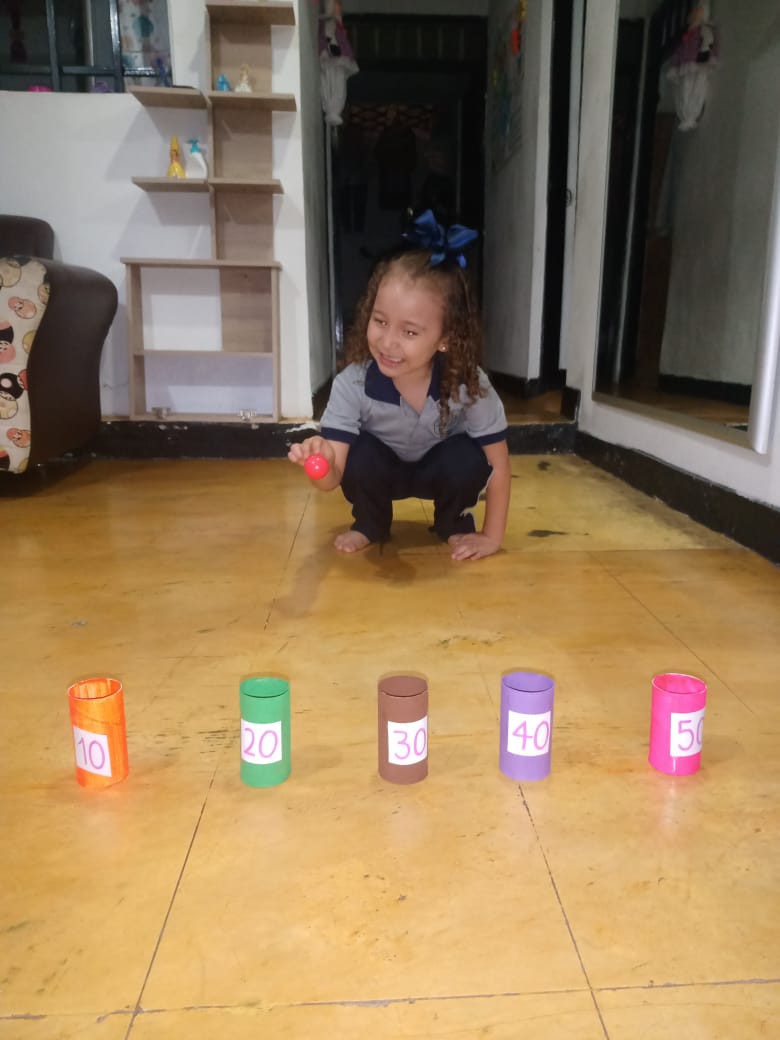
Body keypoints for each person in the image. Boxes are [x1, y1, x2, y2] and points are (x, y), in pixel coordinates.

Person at [288, 211, 511, 562]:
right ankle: (371, 523)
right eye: (380, 321)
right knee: (360, 454)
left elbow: (498, 465)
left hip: (438, 470)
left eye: (409, 331)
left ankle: (452, 522)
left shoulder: (469, 384)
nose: (388, 342)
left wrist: (492, 537)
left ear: (446, 338)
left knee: (469, 457)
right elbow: (331, 479)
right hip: (381, 471)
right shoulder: (352, 384)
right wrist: (323, 462)